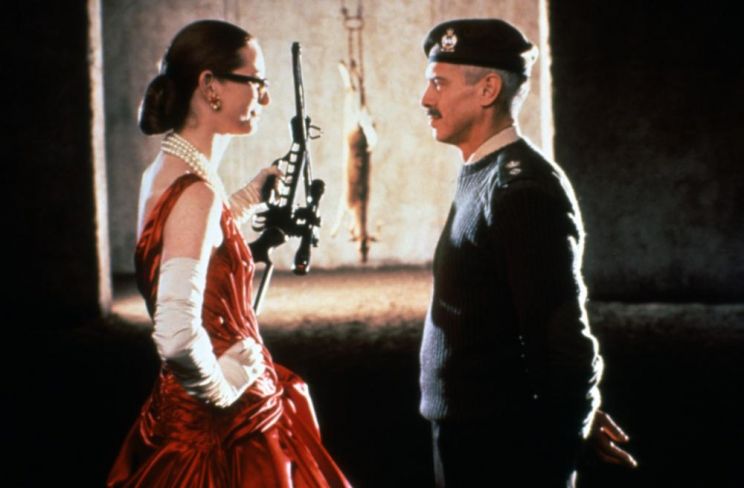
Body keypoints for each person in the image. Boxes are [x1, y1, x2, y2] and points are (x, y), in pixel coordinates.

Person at [107, 20, 350, 487]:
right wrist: (223, 387)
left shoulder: (168, 173)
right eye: (255, 81)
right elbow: (176, 334)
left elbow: (197, 243)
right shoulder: (194, 192)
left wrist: (247, 198)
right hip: (223, 428)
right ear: (210, 85)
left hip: (187, 404)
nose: (265, 98)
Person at [418, 18, 636, 487]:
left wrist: (569, 432)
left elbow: (561, 335)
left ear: (488, 90)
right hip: (469, 432)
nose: (426, 99)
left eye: (439, 83)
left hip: (501, 444)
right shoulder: (484, 172)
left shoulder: (521, 190)